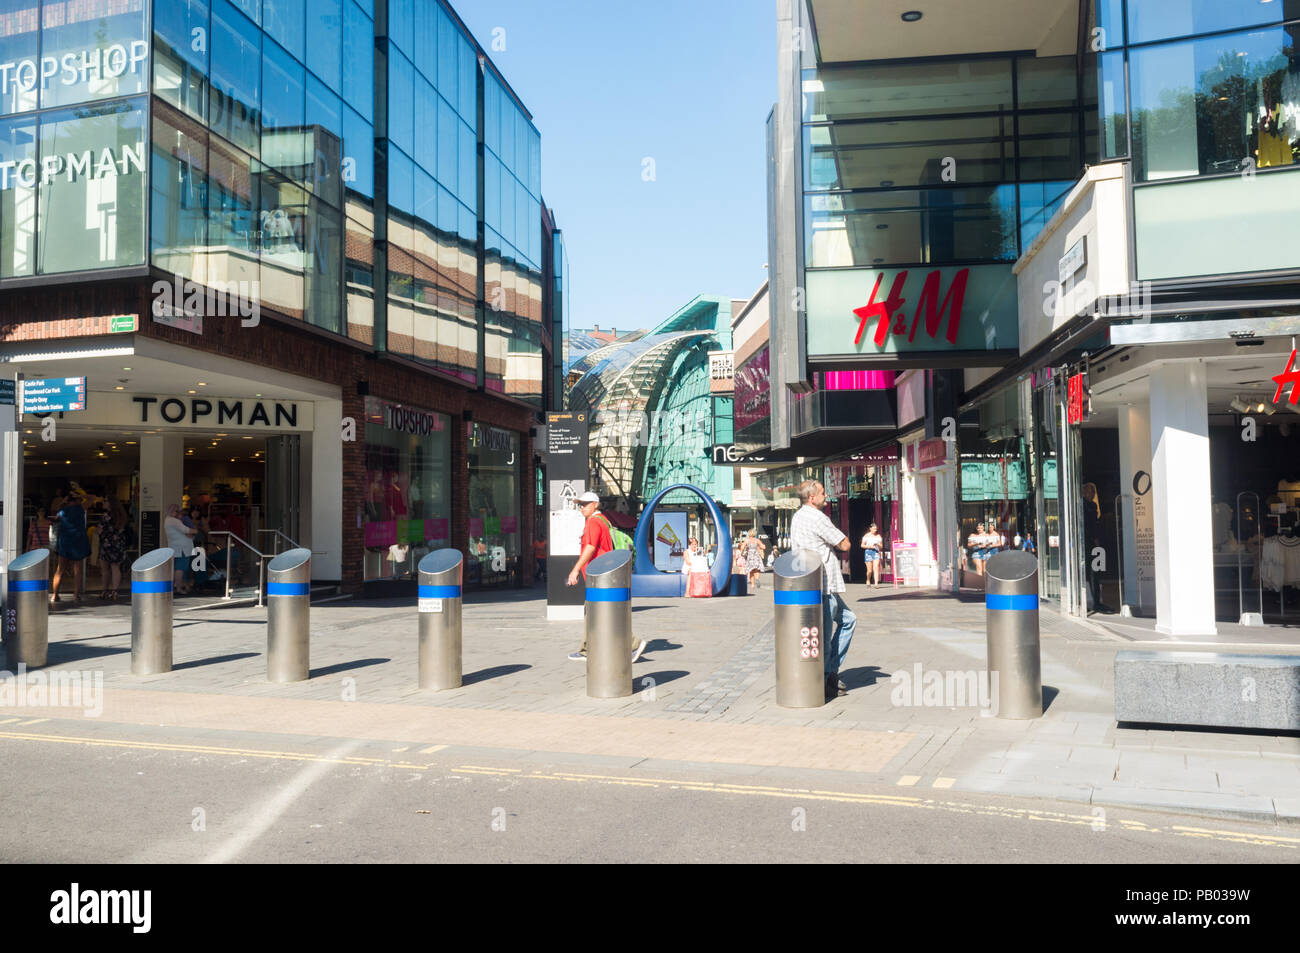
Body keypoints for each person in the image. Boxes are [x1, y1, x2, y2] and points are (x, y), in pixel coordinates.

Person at [789, 480, 856, 701]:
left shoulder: (797, 516)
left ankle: (829, 672)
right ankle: (828, 676)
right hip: (825, 583)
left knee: (848, 619)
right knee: (826, 633)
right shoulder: (818, 517)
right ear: (812, 497)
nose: (826, 496)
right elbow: (844, 544)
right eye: (823, 493)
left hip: (808, 581)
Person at [566, 491, 647, 663]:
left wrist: (575, 570)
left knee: (605, 612)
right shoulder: (603, 521)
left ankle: (634, 644)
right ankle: (586, 649)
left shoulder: (594, 522)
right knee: (593, 612)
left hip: (599, 575)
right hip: (603, 574)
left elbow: (590, 547)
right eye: (580, 504)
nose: (581, 507)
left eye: (585, 504)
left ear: (595, 504)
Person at [50, 491, 91, 606]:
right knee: (77, 570)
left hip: (65, 542)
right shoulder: (80, 508)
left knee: (60, 570)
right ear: (77, 500)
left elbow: (55, 515)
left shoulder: (62, 511)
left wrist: (63, 501)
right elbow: (92, 498)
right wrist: (82, 495)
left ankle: (54, 594)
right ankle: (76, 595)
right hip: (78, 541)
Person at [97, 501, 129, 602]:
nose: (103, 502)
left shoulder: (105, 516)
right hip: (118, 544)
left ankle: (104, 591)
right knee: (116, 567)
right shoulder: (122, 516)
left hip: (106, 544)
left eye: (105, 501)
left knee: (105, 569)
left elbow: (100, 531)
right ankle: (115, 591)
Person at [165, 503, 197, 595]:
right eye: (177, 511)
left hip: (177, 548)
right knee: (180, 568)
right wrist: (195, 531)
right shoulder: (174, 521)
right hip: (181, 548)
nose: (178, 513)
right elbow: (186, 530)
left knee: (177, 568)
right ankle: (178, 587)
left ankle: (177, 586)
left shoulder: (168, 520)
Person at [860, 522, 884, 587]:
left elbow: (881, 546)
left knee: (876, 568)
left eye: (876, 529)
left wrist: (878, 544)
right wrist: (870, 546)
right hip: (868, 552)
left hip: (876, 552)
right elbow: (862, 545)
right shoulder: (866, 536)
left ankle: (876, 583)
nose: (875, 530)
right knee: (869, 570)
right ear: (870, 529)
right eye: (873, 529)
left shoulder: (878, 536)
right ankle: (868, 580)